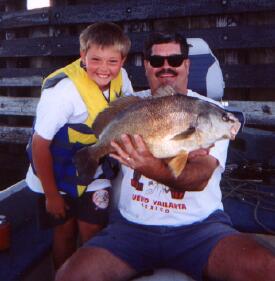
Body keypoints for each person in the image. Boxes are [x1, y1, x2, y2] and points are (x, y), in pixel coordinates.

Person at [55, 32, 275, 281]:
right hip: (131, 229)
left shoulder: (207, 111)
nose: (166, 67)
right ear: (147, 65)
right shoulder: (131, 105)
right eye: (157, 61)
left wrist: (151, 166)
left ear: (187, 64)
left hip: (200, 229)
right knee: (69, 276)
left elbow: (199, 178)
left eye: (175, 59)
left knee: (268, 269)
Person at [25, 22, 133, 269]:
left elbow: (127, 115)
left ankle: (89, 273)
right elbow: (39, 145)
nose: (104, 69)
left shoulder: (122, 79)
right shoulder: (63, 93)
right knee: (64, 232)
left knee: (93, 229)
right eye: (95, 59)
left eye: (112, 62)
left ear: (123, 61)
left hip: (93, 168)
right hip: (55, 173)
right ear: (82, 55)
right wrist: (51, 196)